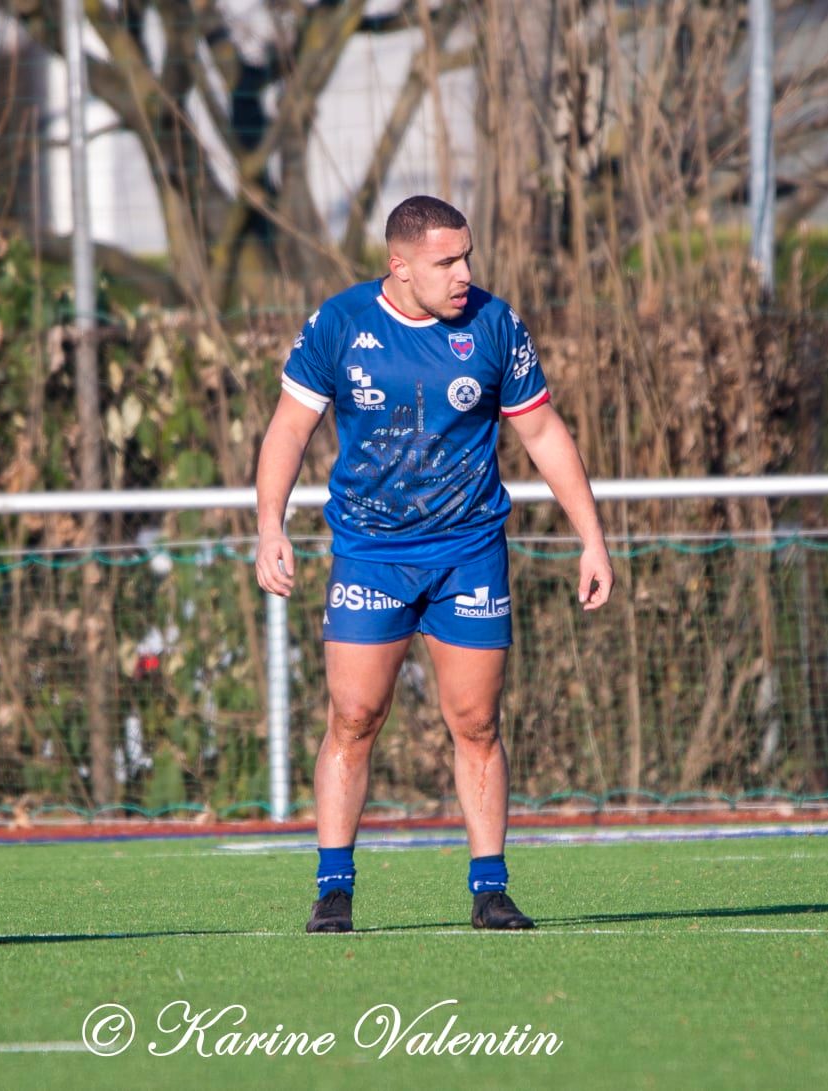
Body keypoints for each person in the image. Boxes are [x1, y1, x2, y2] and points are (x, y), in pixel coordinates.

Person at [254, 196, 614, 933]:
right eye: (447, 261)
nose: (464, 273)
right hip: (370, 550)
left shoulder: (492, 324)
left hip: (467, 551)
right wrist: (269, 525)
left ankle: (490, 888)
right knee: (353, 717)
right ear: (400, 266)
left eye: (468, 256)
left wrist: (592, 538)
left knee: (476, 721)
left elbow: (541, 431)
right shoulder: (340, 323)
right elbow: (289, 427)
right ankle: (333, 888)